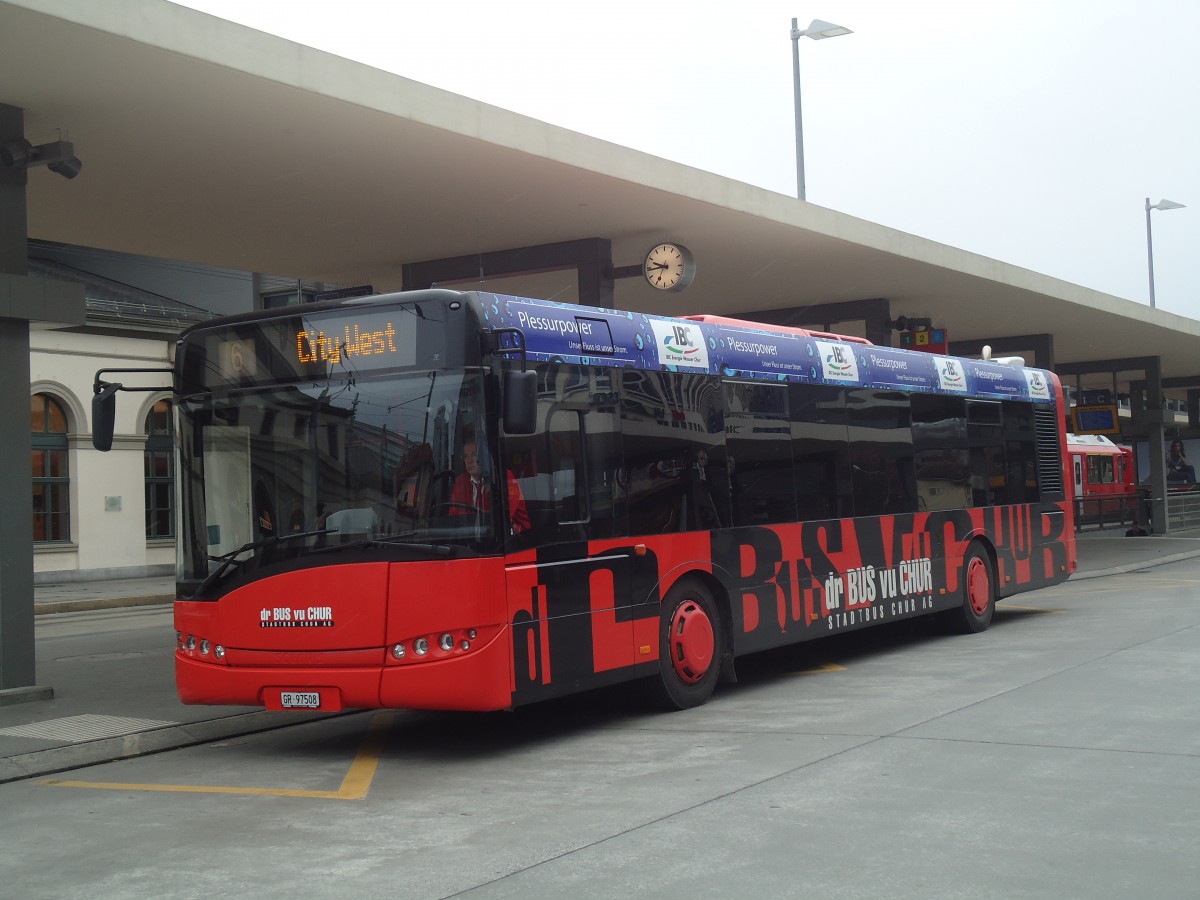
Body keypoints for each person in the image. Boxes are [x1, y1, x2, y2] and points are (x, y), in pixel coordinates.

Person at [449, 436, 529, 533]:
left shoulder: (504, 478)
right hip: (474, 537)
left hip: (513, 540)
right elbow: (454, 516)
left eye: (474, 455)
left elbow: (499, 517)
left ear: (484, 455)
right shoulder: (461, 481)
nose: (469, 461)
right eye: (466, 456)